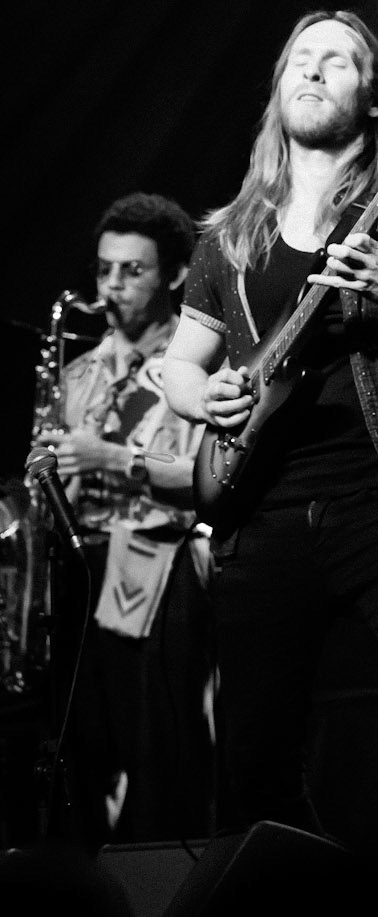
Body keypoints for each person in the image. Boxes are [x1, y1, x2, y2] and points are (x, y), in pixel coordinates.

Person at [162, 10, 378, 862]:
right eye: (299, 61)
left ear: (375, 97)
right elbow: (179, 366)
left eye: (337, 63)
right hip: (262, 507)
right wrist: (204, 396)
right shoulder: (233, 235)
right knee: (252, 750)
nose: (312, 74)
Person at [39, 191, 213, 846]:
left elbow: (208, 481)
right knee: (77, 761)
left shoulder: (198, 367)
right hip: (81, 581)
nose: (112, 287)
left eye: (131, 271)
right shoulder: (78, 373)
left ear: (172, 275)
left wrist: (110, 456)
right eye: (105, 270)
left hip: (164, 576)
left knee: (162, 764)